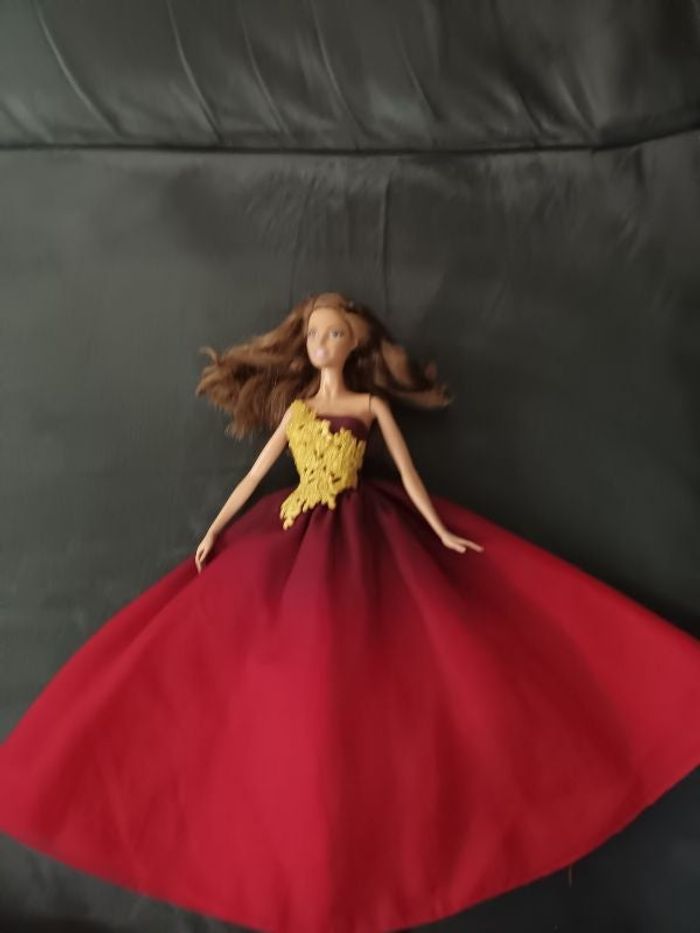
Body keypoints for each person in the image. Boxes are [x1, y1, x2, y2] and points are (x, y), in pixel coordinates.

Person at [0, 290, 699, 933]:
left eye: (334, 334)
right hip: (290, 540)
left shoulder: (369, 408)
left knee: (392, 681)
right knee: (262, 678)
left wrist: (440, 530)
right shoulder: (298, 411)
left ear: (355, 343)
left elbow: (410, 476)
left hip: (367, 540)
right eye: (314, 335)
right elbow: (255, 475)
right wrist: (213, 530)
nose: (322, 345)